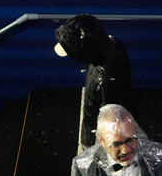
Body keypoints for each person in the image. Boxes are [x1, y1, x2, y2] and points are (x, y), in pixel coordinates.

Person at [54, 14, 136, 147]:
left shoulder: (105, 82)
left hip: (98, 135)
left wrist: (93, 144)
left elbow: (110, 123)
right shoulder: (113, 44)